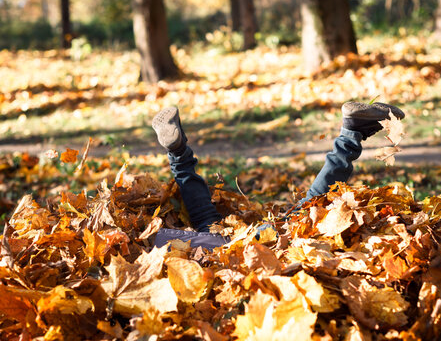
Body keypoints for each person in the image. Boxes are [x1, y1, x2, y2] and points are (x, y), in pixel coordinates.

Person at [152, 102, 405, 249]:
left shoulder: (156, 244)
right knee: (299, 215)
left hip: (211, 248)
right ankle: (178, 152)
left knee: (300, 215)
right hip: (229, 246)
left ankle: (351, 135)